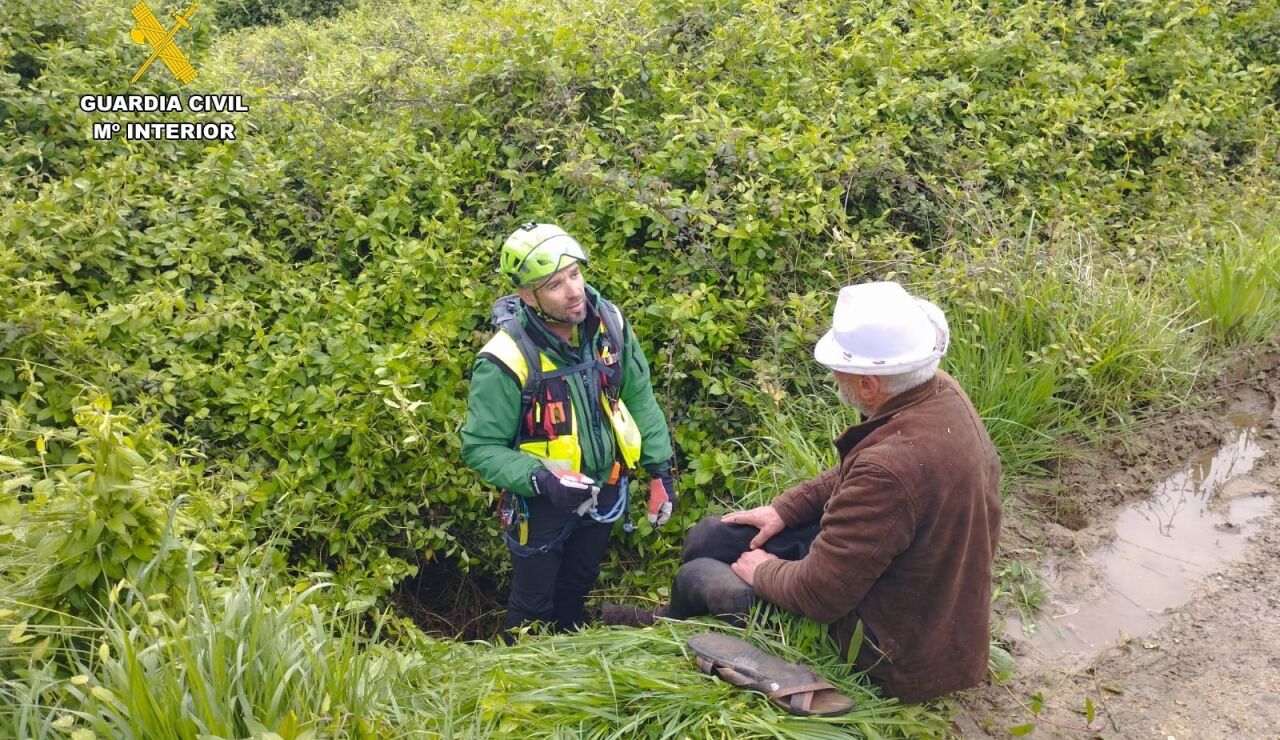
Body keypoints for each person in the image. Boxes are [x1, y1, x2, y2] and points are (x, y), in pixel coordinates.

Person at [603, 281, 1002, 704]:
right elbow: (862, 470)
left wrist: (763, 571)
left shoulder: (890, 468)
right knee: (711, 536)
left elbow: (820, 594)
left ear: (869, 385)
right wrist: (784, 510)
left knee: (698, 575)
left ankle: (676, 627)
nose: (834, 378)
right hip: (917, 591)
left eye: (840, 368)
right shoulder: (935, 392)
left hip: (891, 651)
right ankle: (676, 617)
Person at [461, 221, 676, 640]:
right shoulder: (505, 359)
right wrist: (541, 479)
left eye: (574, 274)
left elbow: (638, 395)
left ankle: (572, 665)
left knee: (577, 587)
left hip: (606, 485)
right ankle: (521, 671)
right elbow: (480, 447)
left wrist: (660, 472)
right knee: (533, 607)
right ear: (528, 295)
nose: (574, 290)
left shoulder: (609, 324)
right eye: (555, 284)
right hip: (541, 502)